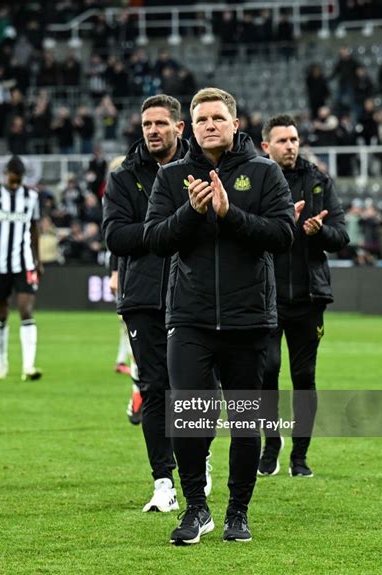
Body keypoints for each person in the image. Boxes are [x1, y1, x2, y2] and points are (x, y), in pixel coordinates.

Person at [144, 88, 295, 545]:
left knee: (247, 421)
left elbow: (284, 234)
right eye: (202, 118)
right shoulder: (172, 178)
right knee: (189, 418)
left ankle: (238, 512)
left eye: (218, 117)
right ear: (190, 126)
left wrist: (231, 215)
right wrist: (191, 212)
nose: (211, 124)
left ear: (234, 123)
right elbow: (154, 239)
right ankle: (196, 509)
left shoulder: (265, 173)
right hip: (189, 318)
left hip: (248, 318)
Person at [102, 95, 190, 514]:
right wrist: (168, 229)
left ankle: (199, 460)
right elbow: (115, 237)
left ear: (179, 127)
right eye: (146, 124)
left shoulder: (200, 168)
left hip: (194, 293)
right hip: (142, 296)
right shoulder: (124, 177)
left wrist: (152, 231)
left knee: (193, 389)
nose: (152, 131)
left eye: (160, 123)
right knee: (155, 388)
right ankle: (163, 482)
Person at [258, 114, 349, 478]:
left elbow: (341, 236)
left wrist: (319, 230)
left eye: (294, 139)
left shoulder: (318, 181)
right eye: (282, 140)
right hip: (266, 297)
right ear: (266, 146)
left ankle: (300, 455)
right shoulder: (257, 181)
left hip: (309, 298)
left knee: (304, 376)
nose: (290, 146)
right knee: (267, 372)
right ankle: (270, 444)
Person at [0, 155, 42, 382]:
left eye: (18, 181)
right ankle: (2, 362)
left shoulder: (31, 196)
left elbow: (34, 229)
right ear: (5, 174)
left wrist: (39, 260)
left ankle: (29, 366)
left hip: (23, 262)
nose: (15, 185)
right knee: (2, 314)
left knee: (26, 310)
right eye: (12, 180)